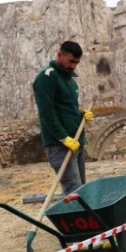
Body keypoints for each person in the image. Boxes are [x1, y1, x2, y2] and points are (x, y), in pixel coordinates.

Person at [33, 41, 94, 195]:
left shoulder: (70, 82)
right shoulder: (46, 78)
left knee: (81, 190)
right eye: (71, 61)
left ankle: (83, 219)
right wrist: (63, 138)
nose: (73, 66)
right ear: (60, 55)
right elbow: (47, 113)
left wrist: (81, 115)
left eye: (77, 63)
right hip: (60, 145)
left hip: (76, 142)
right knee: (73, 190)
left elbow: (66, 109)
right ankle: (74, 219)